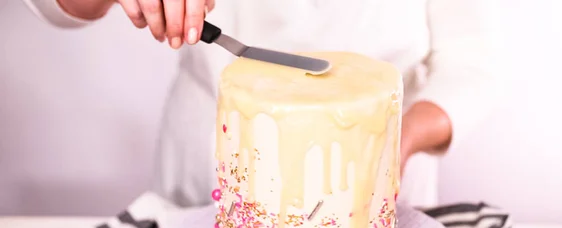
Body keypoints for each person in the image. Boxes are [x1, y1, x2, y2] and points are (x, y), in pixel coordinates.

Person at [22, 0, 497, 210]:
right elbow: (54, 7)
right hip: (205, 180)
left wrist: (398, 143)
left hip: (374, 190)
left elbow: (471, 66)